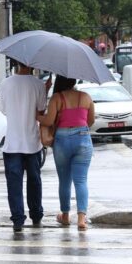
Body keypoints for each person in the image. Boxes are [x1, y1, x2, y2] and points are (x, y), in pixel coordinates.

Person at [37, 75, 95, 230]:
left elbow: (49, 121)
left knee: (64, 181)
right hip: (83, 138)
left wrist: (37, 116)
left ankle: (65, 216)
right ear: (74, 81)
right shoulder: (86, 97)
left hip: (62, 140)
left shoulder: (57, 98)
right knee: (81, 180)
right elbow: (90, 121)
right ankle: (81, 219)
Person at [0, 60, 48, 232]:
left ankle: (18, 220)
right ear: (33, 65)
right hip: (32, 142)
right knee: (34, 181)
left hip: (12, 142)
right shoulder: (38, 84)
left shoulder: (5, 83)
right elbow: (41, 110)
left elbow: (3, 109)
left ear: (16, 63)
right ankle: (36, 215)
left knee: (14, 183)